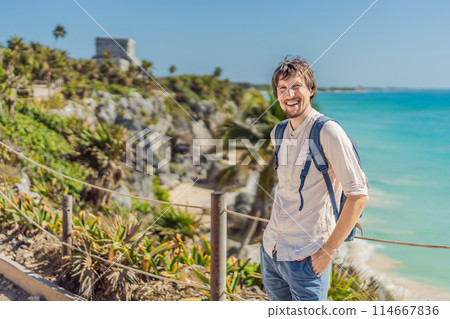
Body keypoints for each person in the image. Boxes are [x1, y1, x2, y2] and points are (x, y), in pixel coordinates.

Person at [260, 56, 369, 301]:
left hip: (307, 259)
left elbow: (359, 196)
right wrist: (267, 248)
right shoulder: (278, 132)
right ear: (277, 95)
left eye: (296, 86)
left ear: (311, 90)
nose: (290, 94)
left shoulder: (328, 130)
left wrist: (327, 251)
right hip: (272, 252)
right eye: (283, 88)